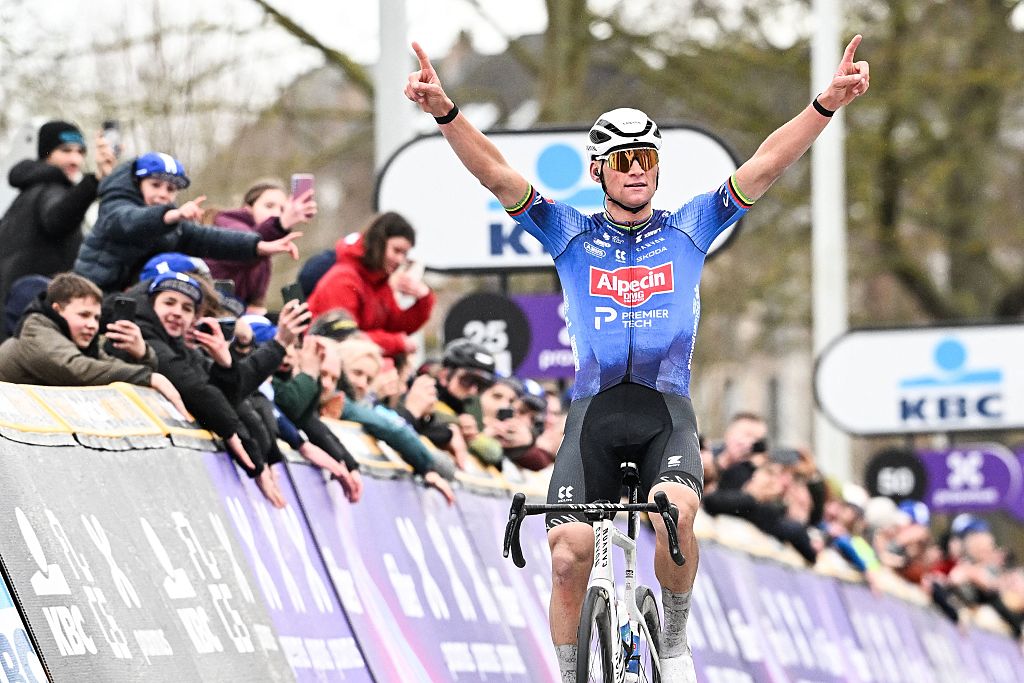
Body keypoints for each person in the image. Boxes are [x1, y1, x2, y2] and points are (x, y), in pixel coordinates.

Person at [405, 34, 870, 682]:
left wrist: (823, 104)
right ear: (598, 170)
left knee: (673, 512)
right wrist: (446, 113)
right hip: (592, 415)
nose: (637, 169)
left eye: (646, 157)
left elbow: (765, 164)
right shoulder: (569, 232)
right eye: (623, 159)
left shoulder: (689, 227)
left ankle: (673, 642)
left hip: (665, 413)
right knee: (566, 556)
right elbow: (494, 172)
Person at [74, 152, 301, 293]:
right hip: (93, 292)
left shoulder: (173, 225)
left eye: (170, 189)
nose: (163, 194)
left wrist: (260, 246)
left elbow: (212, 238)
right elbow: (129, 222)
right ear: (138, 183)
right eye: (155, 186)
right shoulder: (115, 205)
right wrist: (171, 215)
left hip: (131, 295)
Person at [0, 272, 185, 415]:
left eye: (96, 318)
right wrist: (149, 377)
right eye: (84, 315)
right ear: (58, 310)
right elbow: (77, 369)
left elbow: (111, 368)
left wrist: (142, 354)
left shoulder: (81, 342)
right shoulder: (36, 331)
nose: (92, 325)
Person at [0, 121, 116, 336]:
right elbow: (58, 219)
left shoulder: (26, 194)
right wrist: (96, 180)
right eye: (65, 151)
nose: (75, 159)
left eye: (80, 152)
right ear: (46, 153)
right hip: (34, 318)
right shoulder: (50, 190)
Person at [306, 212, 434, 357]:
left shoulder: (379, 282)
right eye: (396, 250)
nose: (400, 260)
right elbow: (345, 336)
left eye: (404, 254)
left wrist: (424, 299)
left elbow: (396, 327)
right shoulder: (344, 279)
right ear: (379, 243)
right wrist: (396, 343)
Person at [205, 180, 317, 312]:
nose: (276, 213)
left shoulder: (265, 249)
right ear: (248, 208)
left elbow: (255, 305)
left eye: (282, 209)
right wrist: (280, 224)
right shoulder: (228, 224)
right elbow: (245, 245)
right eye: (269, 206)